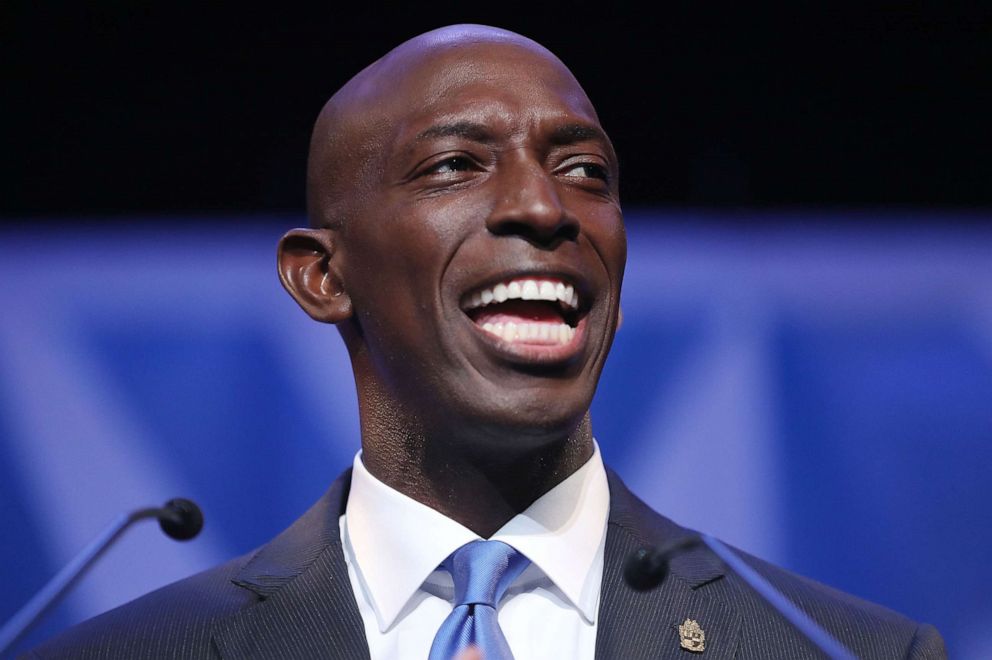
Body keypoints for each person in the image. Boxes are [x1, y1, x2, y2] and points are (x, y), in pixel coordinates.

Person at [27, 24, 945, 660]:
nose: (545, 209)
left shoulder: (839, 651)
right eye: (455, 166)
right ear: (322, 277)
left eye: (584, 171)